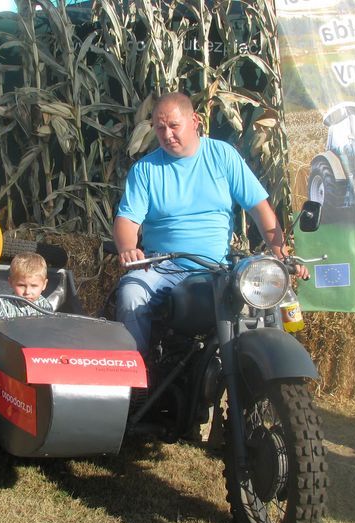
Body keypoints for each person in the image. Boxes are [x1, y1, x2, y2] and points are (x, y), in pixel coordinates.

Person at [113, 91, 307, 353]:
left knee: (261, 298)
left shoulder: (222, 156)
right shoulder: (146, 170)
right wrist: (128, 248)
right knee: (131, 292)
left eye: (173, 126)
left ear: (195, 120)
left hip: (217, 268)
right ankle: (135, 383)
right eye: (160, 128)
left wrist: (280, 254)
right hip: (163, 266)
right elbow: (128, 218)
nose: (167, 135)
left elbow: (259, 208)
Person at [0, 252, 53, 320]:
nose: (27, 292)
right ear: (11, 282)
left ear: (44, 285)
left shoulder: (45, 305)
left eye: (34, 286)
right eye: (21, 285)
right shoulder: (4, 309)